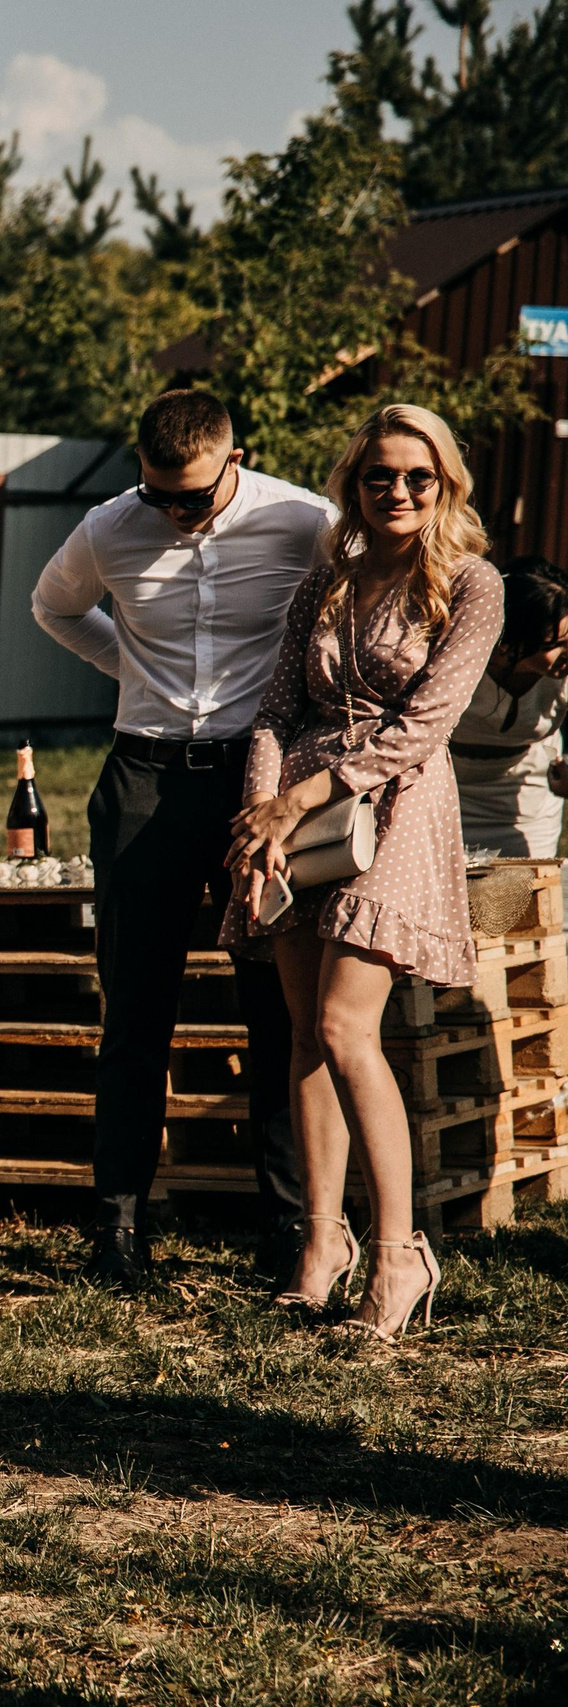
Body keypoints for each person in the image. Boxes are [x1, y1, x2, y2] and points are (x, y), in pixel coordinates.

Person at [32, 389, 331, 1287]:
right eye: (154, 493)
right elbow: (54, 608)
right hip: (143, 778)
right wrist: (133, 667)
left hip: (257, 784)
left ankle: (289, 1224)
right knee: (134, 1007)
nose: (168, 512)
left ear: (234, 461)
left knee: (273, 1010)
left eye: (189, 498)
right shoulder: (109, 525)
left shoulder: (301, 521)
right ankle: (118, 1227)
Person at [224, 404, 502, 1342]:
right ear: (355, 483)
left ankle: (400, 1252)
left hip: (396, 806)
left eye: (417, 478)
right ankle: (322, 1244)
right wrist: (263, 811)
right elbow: (272, 706)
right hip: (296, 813)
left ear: (445, 485)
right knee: (303, 1030)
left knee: (347, 1026)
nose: (397, 491)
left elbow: (427, 723)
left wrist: (296, 803)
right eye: (379, 476)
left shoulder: (472, 583)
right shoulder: (328, 579)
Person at [451, 556, 568, 857]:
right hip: (444, 790)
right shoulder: (458, 657)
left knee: (523, 892)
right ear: (511, 639)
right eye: (556, 644)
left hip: (526, 797)